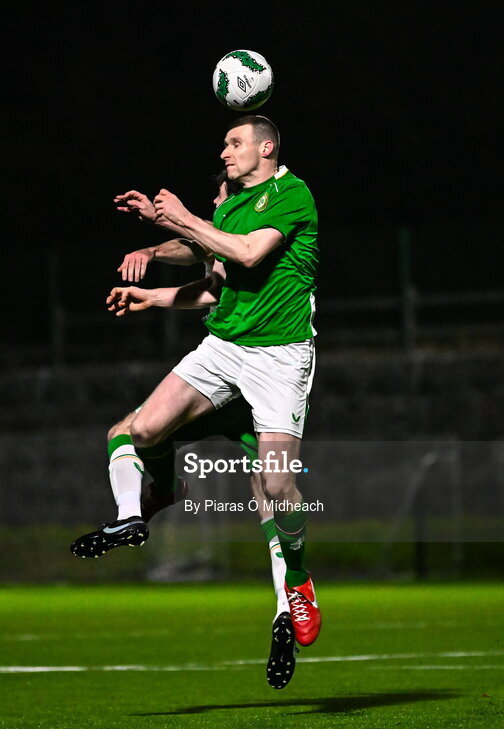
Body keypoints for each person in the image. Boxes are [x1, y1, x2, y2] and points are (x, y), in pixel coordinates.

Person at [72, 115, 319, 687]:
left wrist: (177, 218)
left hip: (279, 359)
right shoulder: (231, 205)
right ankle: (149, 501)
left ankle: (298, 584)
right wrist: (155, 283)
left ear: (266, 147)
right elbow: (210, 270)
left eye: (234, 143)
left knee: (277, 487)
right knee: (140, 429)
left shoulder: (293, 194)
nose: (225, 151)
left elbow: (248, 254)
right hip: (225, 347)